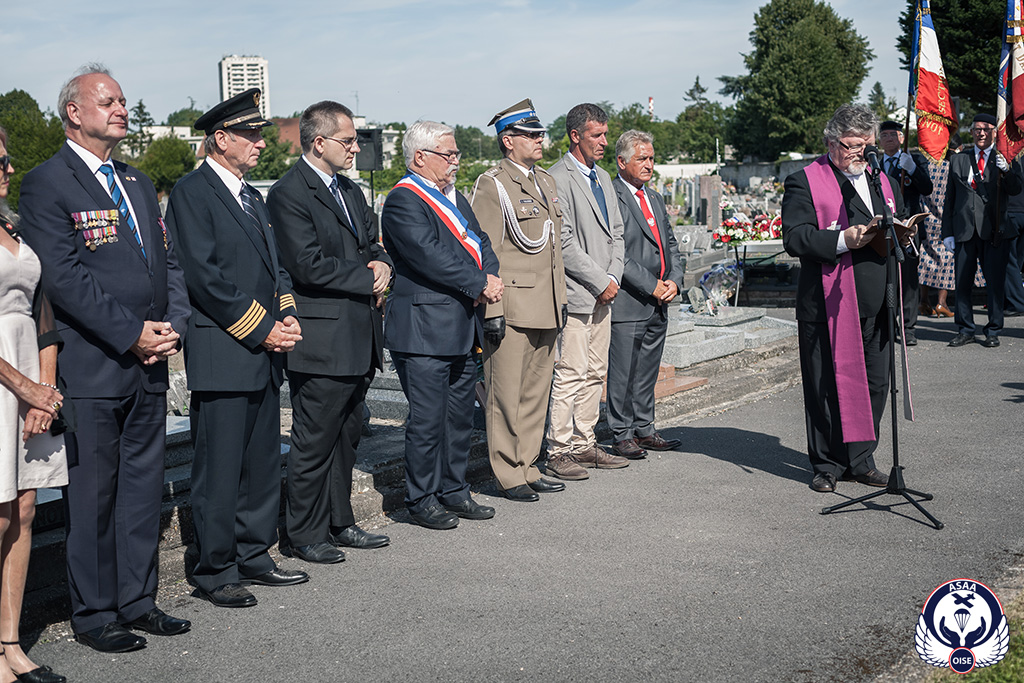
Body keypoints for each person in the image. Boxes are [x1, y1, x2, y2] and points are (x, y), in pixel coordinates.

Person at [19, 66, 191, 652]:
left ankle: (139, 601)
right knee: (92, 496)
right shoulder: (47, 182)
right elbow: (63, 278)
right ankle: (95, 614)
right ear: (74, 112)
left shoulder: (137, 182)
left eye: (122, 100)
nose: (121, 109)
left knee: (143, 490)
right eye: (109, 100)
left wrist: (173, 327)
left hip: (151, 360)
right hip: (93, 365)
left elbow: (167, 263)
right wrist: (130, 333)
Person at [165, 89, 308, 608]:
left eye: (260, 133)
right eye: (250, 133)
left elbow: (276, 267)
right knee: (220, 470)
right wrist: (262, 328)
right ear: (220, 139)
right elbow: (204, 278)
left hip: (264, 352)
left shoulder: (252, 196)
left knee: (261, 463)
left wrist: (286, 313)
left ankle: (254, 554)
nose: (260, 142)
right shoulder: (192, 192)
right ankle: (215, 569)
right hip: (224, 351)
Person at [268, 101, 392, 564]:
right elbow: (307, 264)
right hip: (322, 340)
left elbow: (372, 243)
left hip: (359, 334)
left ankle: (341, 522)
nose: (356, 148)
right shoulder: (289, 193)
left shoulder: (351, 190)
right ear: (319, 142)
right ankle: (304, 533)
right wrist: (367, 277)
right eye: (348, 140)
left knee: (347, 434)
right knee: (315, 440)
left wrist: (384, 264)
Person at [381, 121, 501, 529]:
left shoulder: (454, 196)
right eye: (448, 154)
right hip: (424, 330)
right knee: (427, 420)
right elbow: (428, 256)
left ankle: (454, 489)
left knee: (458, 418)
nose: (455, 161)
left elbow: (480, 241)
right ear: (420, 157)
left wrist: (489, 275)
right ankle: (422, 498)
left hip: (462, 325)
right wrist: (479, 282)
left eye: (456, 154)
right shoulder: (404, 200)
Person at [781, 104, 906, 494]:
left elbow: (897, 225)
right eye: (851, 145)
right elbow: (795, 237)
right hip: (828, 302)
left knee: (875, 384)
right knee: (825, 388)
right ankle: (827, 464)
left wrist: (906, 232)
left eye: (865, 145)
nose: (860, 153)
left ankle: (861, 460)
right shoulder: (804, 181)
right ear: (831, 142)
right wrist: (842, 240)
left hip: (878, 301)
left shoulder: (883, 181)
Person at [469, 99, 571, 496]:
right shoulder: (492, 184)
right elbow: (485, 251)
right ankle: (508, 473)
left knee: (535, 394)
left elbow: (553, 250)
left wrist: (560, 299)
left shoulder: (545, 180)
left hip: (546, 304)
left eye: (540, 133)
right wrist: (492, 311)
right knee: (505, 396)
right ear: (508, 140)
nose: (539, 139)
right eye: (530, 134)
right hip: (512, 307)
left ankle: (528, 465)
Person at [0, 129, 68, 683]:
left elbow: (43, 313)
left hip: (30, 376)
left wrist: (45, 392)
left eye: (6, 158)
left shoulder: (13, 226)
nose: (7, 166)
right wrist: (24, 387)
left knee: (25, 509)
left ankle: (11, 644)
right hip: (5, 377)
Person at [547, 104, 631, 464]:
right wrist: (599, 280)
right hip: (578, 293)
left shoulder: (603, 178)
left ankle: (584, 443)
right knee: (570, 372)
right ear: (575, 136)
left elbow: (617, 233)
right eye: (597, 135)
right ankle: (559, 449)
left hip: (605, 293)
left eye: (605, 134)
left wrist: (613, 277)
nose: (604, 142)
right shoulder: (557, 178)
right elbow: (563, 242)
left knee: (596, 371)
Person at [607, 130, 685, 456]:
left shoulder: (653, 197)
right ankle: (621, 432)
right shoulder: (612, 196)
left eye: (652, 158)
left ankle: (644, 428)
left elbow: (670, 245)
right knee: (623, 372)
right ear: (622, 161)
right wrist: (650, 284)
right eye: (642, 158)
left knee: (647, 371)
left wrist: (675, 280)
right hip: (630, 299)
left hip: (660, 300)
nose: (649, 164)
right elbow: (616, 252)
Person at [941, 113, 1022, 348]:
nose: (982, 133)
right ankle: (965, 329)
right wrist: (947, 232)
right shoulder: (959, 160)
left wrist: (1007, 170)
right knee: (962, 283)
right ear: (971, 132)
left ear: (995, 132)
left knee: (995, 283)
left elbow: (1016, 189)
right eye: (977, 129)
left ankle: (993, 329)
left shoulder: (1005, 158)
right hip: (965, 230)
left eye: (987, 129)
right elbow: (950, 199)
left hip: (994, 230)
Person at [879, 120, 933, 345]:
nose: (889, 138)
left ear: (902, 137)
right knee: (884, 277)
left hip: (908, 227)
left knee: (908, 280)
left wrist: (912, 169)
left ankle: (908, 327)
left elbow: (927, 187)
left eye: (894, 134)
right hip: (882, 228)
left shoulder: (914, 160)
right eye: (885, 135)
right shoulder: (874, 163)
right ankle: (888, 326)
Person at [1002, 158, 1024, 316]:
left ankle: (1016, 302)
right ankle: (1010, 299)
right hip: (1018, 211)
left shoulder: (1007, 155)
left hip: (1012, 211)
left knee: (1008, 260)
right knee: (1017, 260)